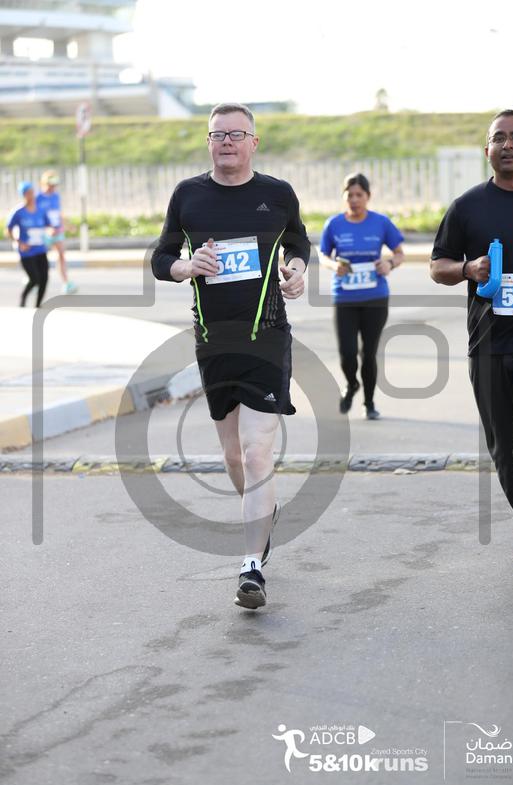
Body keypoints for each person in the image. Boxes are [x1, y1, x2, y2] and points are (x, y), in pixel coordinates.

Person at [151, 103, 310, 609]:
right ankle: (263, 511)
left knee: (257, 450)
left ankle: (251, 566)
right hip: (213, 339)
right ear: (208, 142)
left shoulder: (277, 194)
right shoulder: (188, 195)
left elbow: (299, 241)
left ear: (253, 143)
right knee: (234, 456)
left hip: (266, 336)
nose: (226, 142)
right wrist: (187, 266)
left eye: (236, 134)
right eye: (217, 134)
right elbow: (160, 258)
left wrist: (297, 270)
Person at [430, 109, 513, 574]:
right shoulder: (467, 206)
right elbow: (437, 266)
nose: (508, 145)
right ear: (486, 149)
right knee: (503, 449)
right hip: (487, 342)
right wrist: (467, 269)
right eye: (499, 138)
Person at [319, 173, 404, 418]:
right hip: (344, 297)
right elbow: (323, 255)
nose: (354, 200)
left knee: (368, 353)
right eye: (350, 195)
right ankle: (352, 383)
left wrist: (389, 264)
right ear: (343, 197)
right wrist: (334, 265)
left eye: (359, 195)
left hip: (375, 297)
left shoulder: (381, 222)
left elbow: (399, 253)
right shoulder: (334, 224)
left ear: (368, 196)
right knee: (347, 353)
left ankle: (369, 403)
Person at [6, 181, 52, 308]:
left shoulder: (41, 210)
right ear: (23, 195)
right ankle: (23, 298)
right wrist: (19, 242)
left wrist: (50, 233)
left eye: (32, 192)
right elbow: (8, 230)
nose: (31, 195)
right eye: (27, 193)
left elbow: (49, 225)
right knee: (35, 278)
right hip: (27, 252)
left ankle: (38, 305)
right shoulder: (18, 212)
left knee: (44, 279)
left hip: (40, 250)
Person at [36, 170, 78, 295]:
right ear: (43, 184)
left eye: (54, 185)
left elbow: (59, 213)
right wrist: (46, 229)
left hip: (57, 231)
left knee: (61, 255)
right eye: (50, 184)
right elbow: (35, 216)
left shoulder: (56, 196)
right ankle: (34, 278)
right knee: (39, 258)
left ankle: (66, 282)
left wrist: (68, 225)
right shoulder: (38, 198)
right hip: (44, 232)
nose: (53, 187)